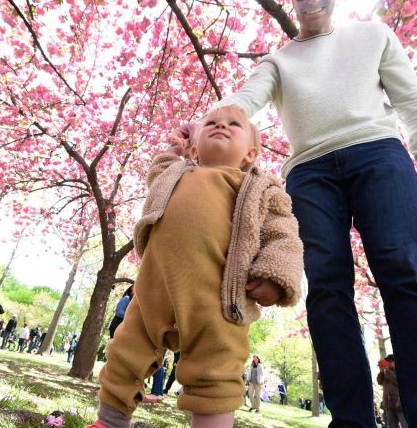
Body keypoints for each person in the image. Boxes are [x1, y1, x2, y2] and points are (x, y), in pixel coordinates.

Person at [202, 0, 417, 426]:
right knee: (326, 288)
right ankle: (351, 420)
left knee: (408, 274)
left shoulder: (372, 35)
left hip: (379, 155)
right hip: (310, 173)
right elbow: (242, 101)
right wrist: (207, 125)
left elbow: (411, 99)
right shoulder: (278, 61)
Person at [89, 106, 303, 428]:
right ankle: (109, 421)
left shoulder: (257, 189)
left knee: (215, 371)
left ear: (250, 154)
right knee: (124, 354)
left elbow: (282, 233)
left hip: (216, 301)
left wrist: (275, 274)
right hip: (152, 293)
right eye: (212, 123)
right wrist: (177, 147)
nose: (221, 125)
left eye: (233, 124)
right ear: (194, 147)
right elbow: (158, 171)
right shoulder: (178, 173)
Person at [377, 354, 407, 428]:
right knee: (392, 426)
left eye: (390, 361)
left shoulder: (398, 370)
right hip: (388, 404)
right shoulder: (385, 372)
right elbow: (379, 381)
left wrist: (387, 370)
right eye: (387, 361)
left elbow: (397, 382)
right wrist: (381, 371)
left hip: (399, 403)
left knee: (405, 424)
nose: (388, 363)